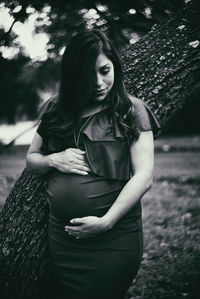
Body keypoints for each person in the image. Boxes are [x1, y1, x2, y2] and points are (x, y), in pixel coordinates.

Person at [26, 29, 160, 299]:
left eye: (105, 70)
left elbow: (144, 176)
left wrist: (106, 222)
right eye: (89, 74)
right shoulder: (57, 109)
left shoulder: (131, 111)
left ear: (115, 67)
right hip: (64, 241)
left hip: (113, 237)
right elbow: (32, 160)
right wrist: (54, 159)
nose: (99, 82)